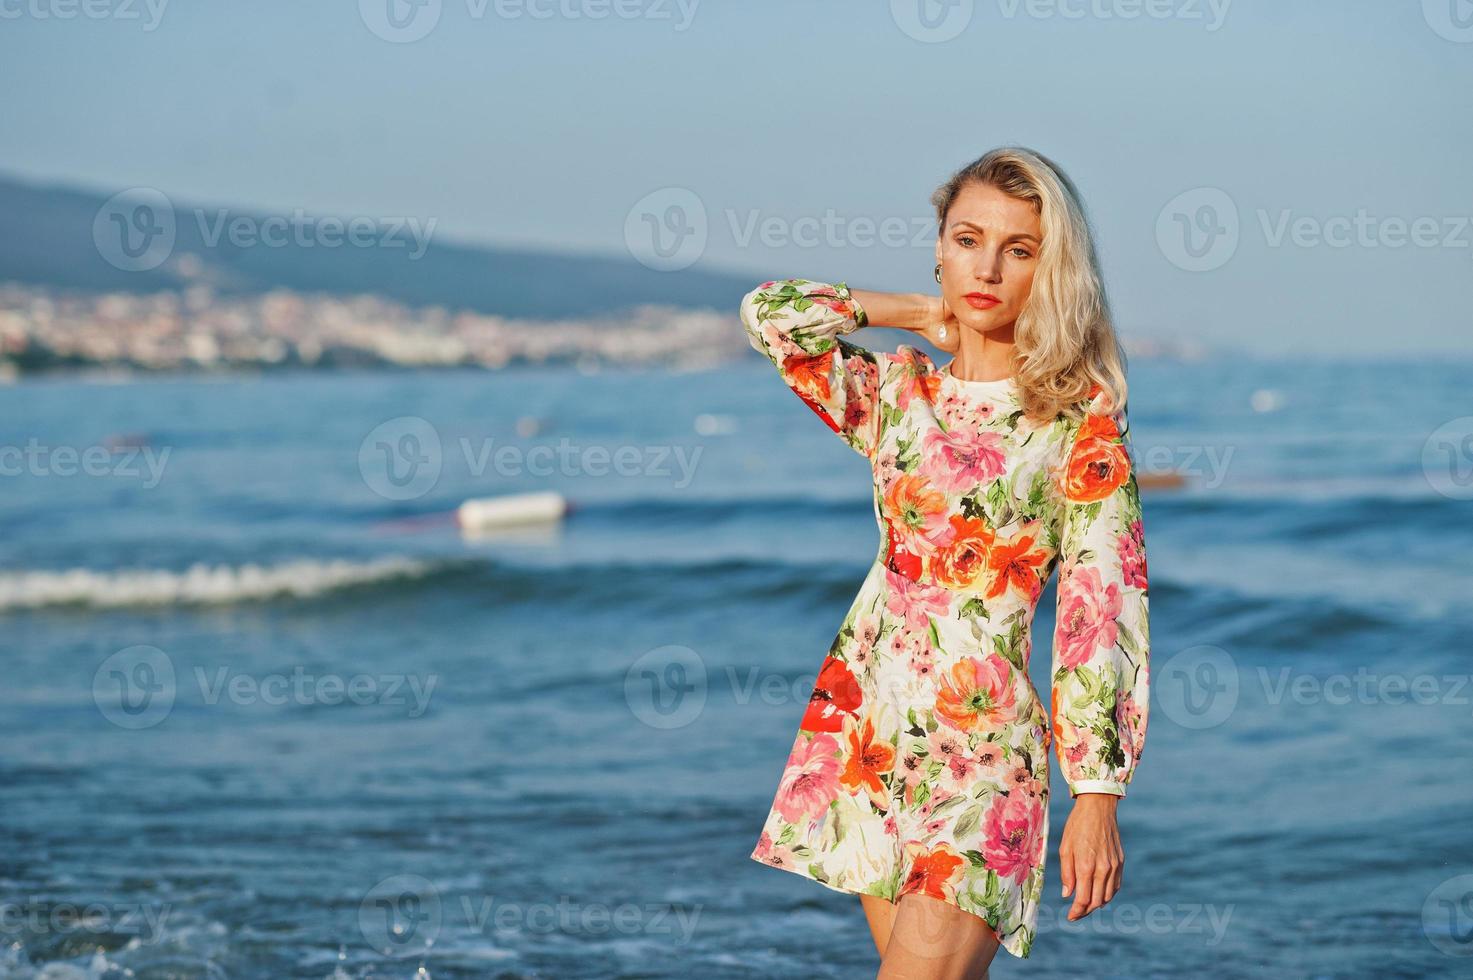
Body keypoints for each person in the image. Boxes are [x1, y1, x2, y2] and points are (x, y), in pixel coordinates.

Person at [742, 147, 1150, 977]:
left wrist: (1097, 796)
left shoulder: (1077, 423)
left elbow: (1099, 610)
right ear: (939, 248)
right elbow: (769, 316)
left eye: (1020, 249)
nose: (989, 268)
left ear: (1052, 268)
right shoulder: (897, 395)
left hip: (982, 753)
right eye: (968, 240)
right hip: (870, 729)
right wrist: (916, 314)